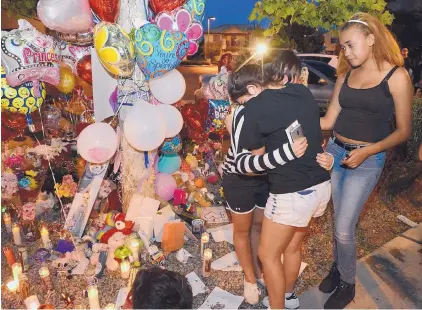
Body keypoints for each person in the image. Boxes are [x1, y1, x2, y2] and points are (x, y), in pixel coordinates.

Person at [318, 12, 412, 309]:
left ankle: (348, 283)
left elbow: (403, 131)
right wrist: (290, 110)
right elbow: (329, 119)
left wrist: (368, 151)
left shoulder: (396, 76)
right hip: (335, 152)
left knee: (345, 225)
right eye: (342, 47)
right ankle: (339, 267)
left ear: (371, 39)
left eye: (349, 45)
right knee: (337, 220)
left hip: (367, 159)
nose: (345, 52)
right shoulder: (345, 75)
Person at [238, 51, 332, 309]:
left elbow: (255, 161)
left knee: (267, 255)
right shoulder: (303, 93)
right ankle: (288, 296)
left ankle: (277, 305)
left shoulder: (255, 107)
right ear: (285, 73)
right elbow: (309, 133)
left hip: (292, 193)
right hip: (320, 186)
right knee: (291, 247)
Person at [222, 64, 309, 305]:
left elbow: (298, 136)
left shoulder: (275, 106)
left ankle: (259, 271)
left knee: (259, 226)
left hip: (264, 179)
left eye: (242, 101)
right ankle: (249, 278)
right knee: (241, 230)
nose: (240, 105)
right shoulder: (238, 115)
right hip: (239, 179)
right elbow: (247, 159)